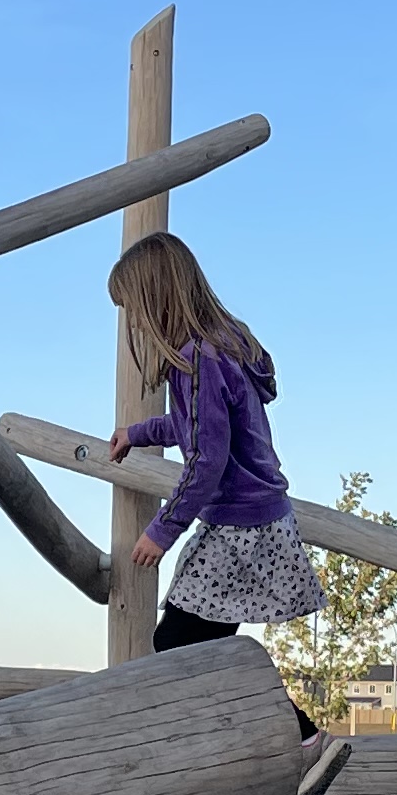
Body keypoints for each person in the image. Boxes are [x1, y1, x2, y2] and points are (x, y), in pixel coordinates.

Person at [106, 231, 323, 729]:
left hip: (238, 530)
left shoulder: (198, 363)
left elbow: (206, 459)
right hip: (259, 524)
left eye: (135, 309)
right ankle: (290, 738)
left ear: (158, 301)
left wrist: (162, 530)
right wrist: (135, 433)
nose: (134, 322)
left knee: (176, 644)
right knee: (205, 647)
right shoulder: (220, 351)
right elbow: (193, 428)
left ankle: (300, 736)